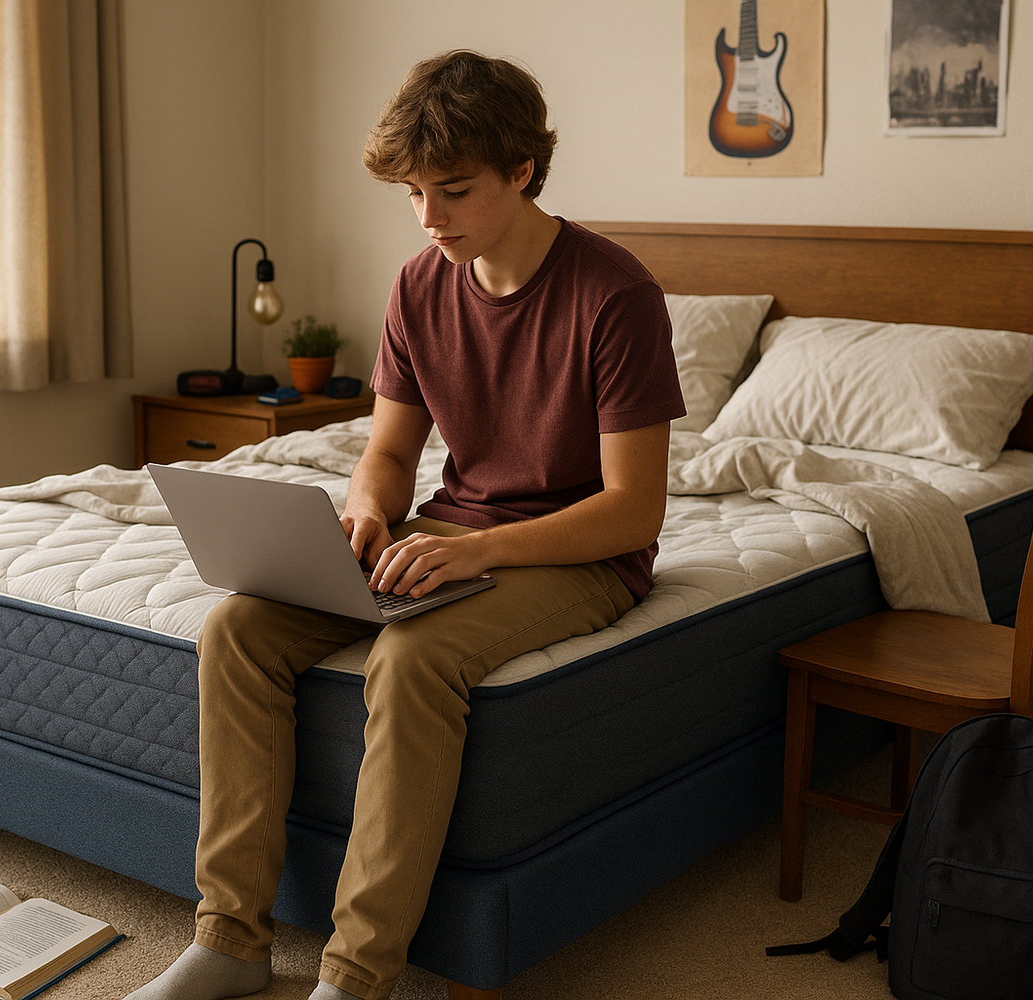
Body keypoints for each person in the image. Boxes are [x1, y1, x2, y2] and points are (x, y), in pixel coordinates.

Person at [126, 49, 685, 1000]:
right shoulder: (421, 285)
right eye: (414, 194)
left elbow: (634, 508)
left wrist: (471, 548)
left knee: (414, 657)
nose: (430, 219)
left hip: (583, 553)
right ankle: (229, 942)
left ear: (522, 169)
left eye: (453, 192)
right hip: (448, 529)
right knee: (238, 628)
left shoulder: (615, 294)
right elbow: (388, 452)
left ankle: (355, 975)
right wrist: (368, 512)